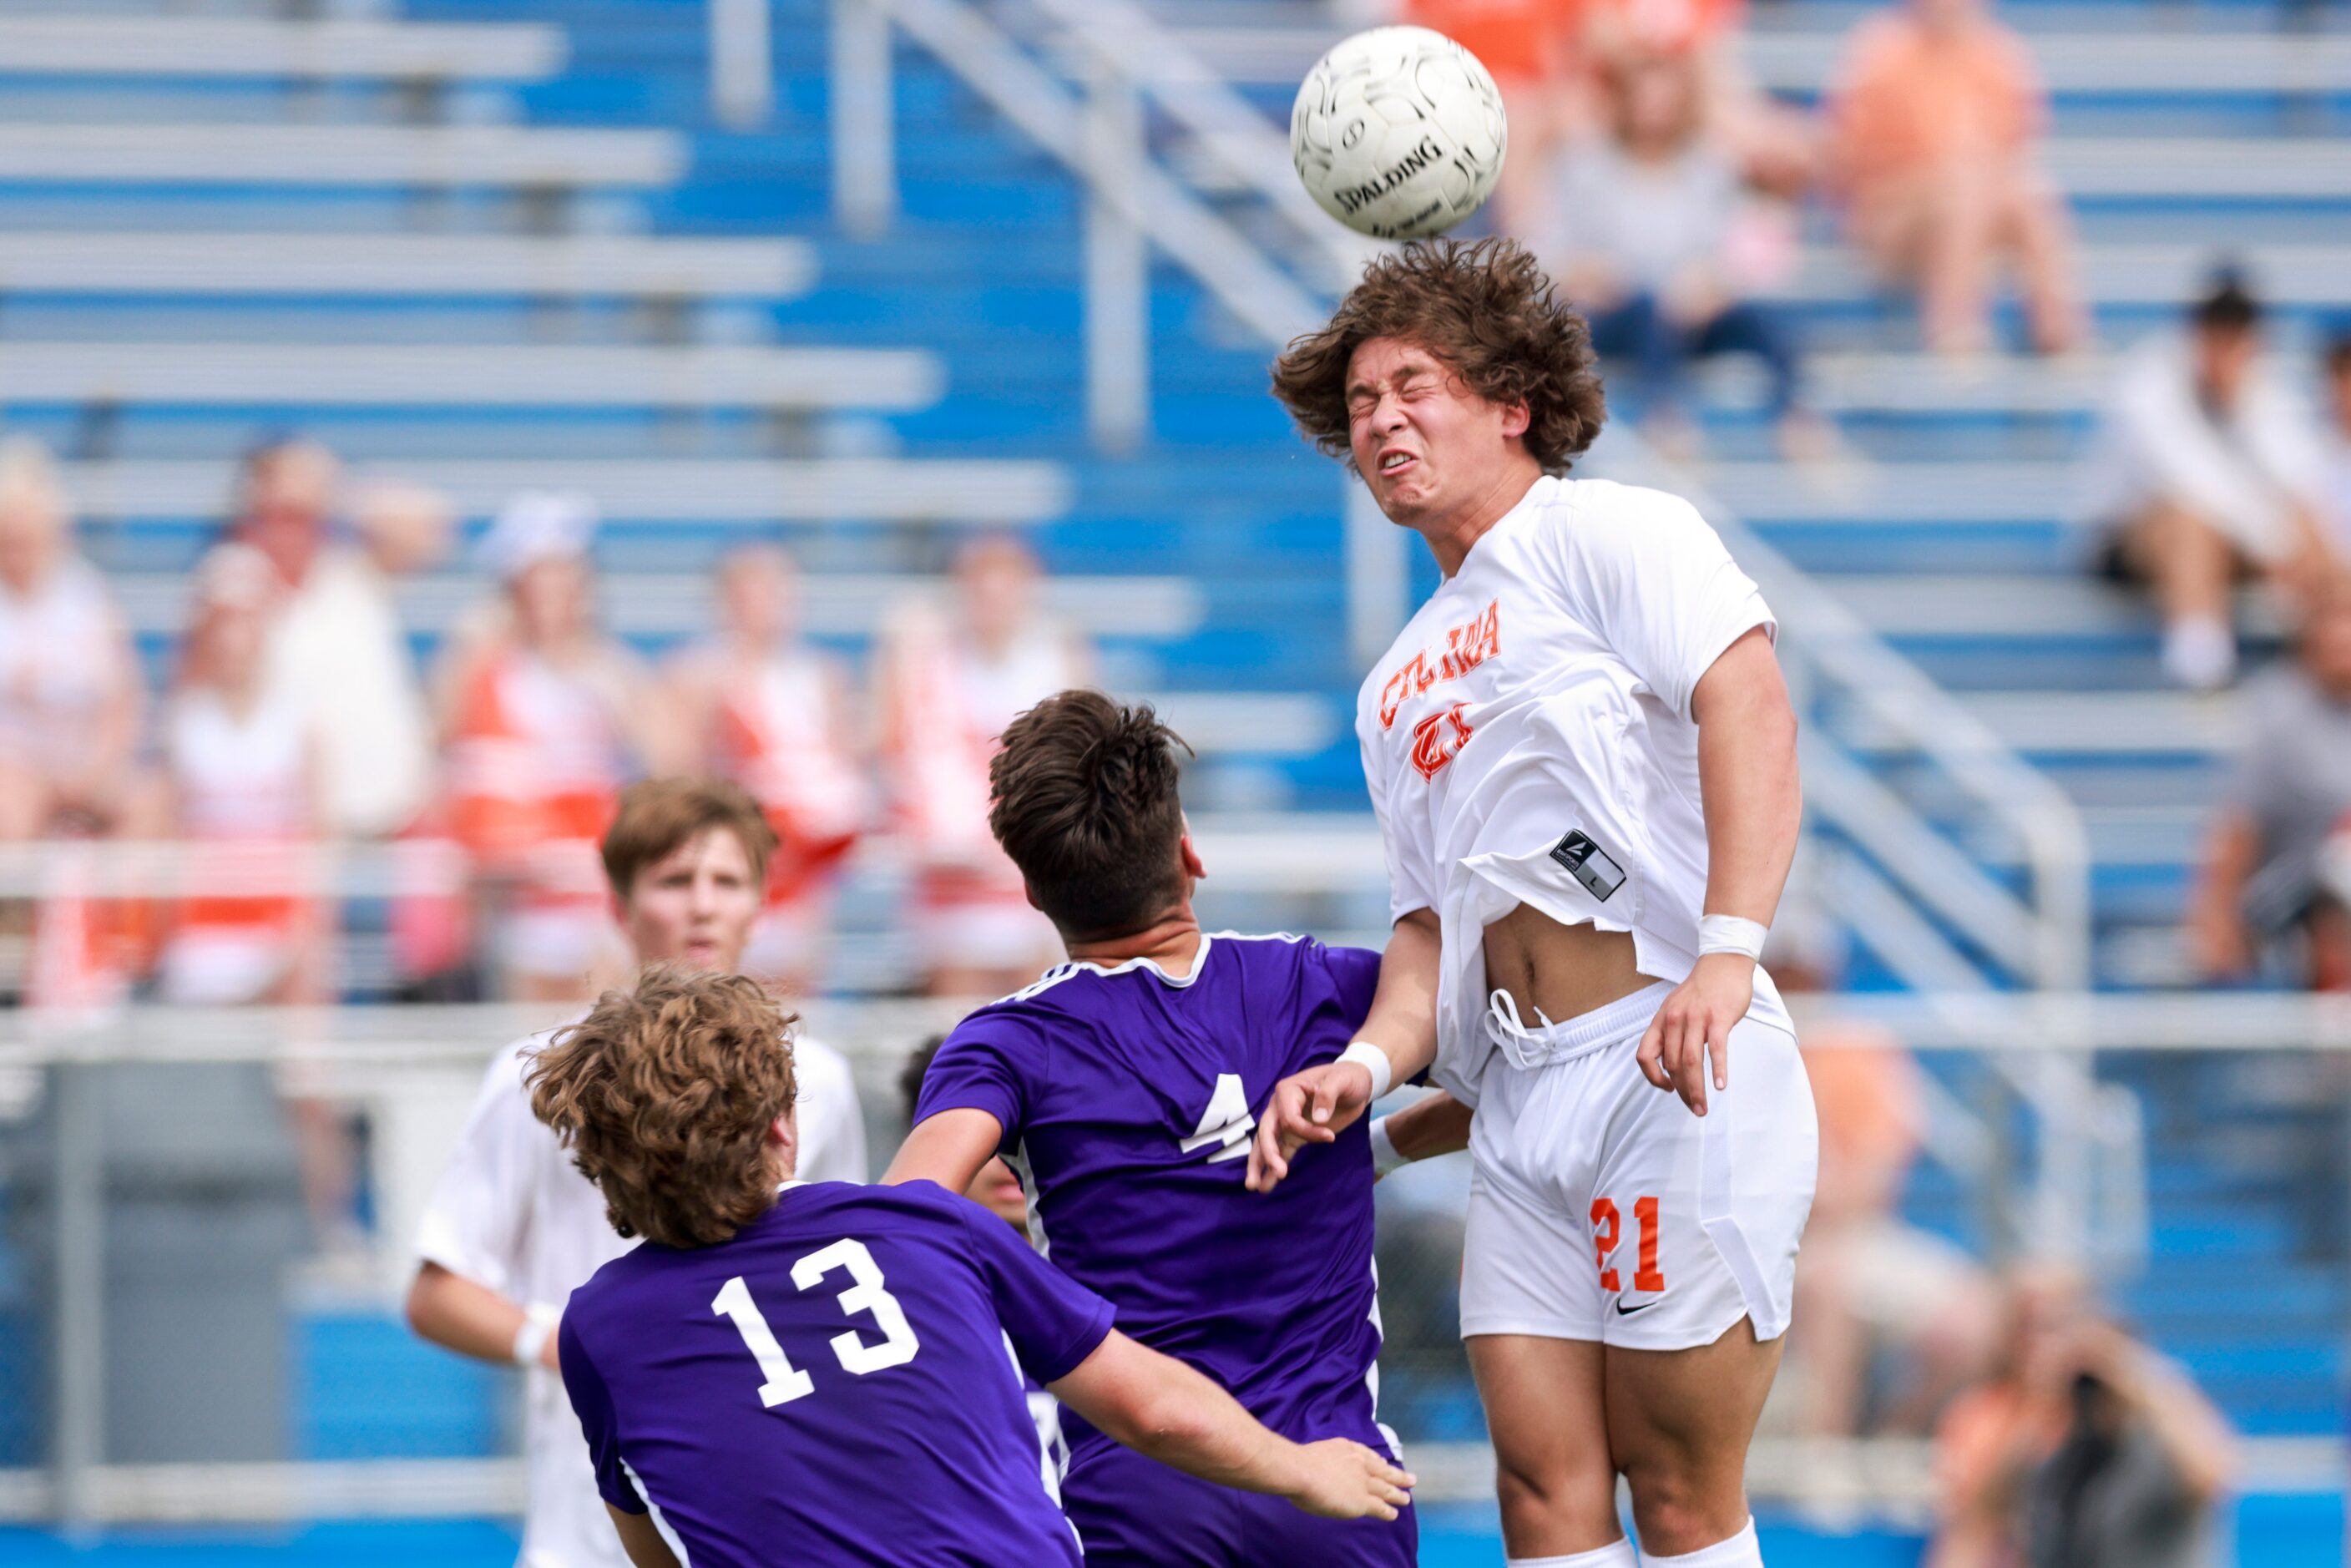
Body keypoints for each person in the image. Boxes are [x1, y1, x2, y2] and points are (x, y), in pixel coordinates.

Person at [1254, 237, 1817, 1568]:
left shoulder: (1614, 529)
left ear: (1513, 400)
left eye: (1414, 384)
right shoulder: (1392, 683)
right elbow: (1428, 927)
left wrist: (1731, 952)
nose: (1382, 419)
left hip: (1672, 1060)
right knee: (1540, 1493)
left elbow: (1751, 703)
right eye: (1361, 406)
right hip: (1517, 1102)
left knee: (1678, 1489)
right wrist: (1370, 1070)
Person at [530, 966, 1413, 1568]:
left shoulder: (598, 1329)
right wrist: (1301, 1468)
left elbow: (656, 1539)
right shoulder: (923, 1225)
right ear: (778, 1128)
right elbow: (1149, 1407)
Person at [885, 690, 1463, 1568]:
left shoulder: (1004, 1045)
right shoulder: (1326, 990)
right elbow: (1531, 1066)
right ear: (1188, 850)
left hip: (1138, 1495)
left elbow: (906, 1225)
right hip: (1336, 1487)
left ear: (1035, 893)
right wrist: (1370, 1147)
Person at [408, 776, 866, 1568]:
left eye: (727, 881)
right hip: (586, 1526)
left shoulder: (819, 1079)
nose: (702, 906)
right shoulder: (539, 1078)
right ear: (620, 904)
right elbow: (438, 1285)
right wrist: (563, 1340)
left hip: (771, 1515)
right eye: (673, 880)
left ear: (759, 905)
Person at [442, 493, 674, 1001]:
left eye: (565, 579)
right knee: (531, 1052)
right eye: (538, 581)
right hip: (519, 898)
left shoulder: (614, 671)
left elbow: (669, 765)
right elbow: (450, 758)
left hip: (595, 897)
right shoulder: (487, 672)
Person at [1540, 48, 1822, 460]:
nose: (1655, 111)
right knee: (1647, 307)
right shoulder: (1585, 166)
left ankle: (1798, 419)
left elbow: (1731, 253)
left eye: (1665, 100)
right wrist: (1584, 274)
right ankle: (1667, 419)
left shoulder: (1708, 167)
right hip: (1615, 313)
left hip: (1689, 312)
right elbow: (1548, 249)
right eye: (1645, 98)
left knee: (1762, 320)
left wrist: (1709, 285)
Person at [2079, 275, 2337, 690]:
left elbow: (2297, 476)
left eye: (2237, 337)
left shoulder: (2262, 386)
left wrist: (2301, 541)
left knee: (2311, 525)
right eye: (2219, 336)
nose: (2227, 351)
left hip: (2237, 535)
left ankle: (2327, 655)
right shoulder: (2145, 384)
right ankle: (2202, 666)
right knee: (2189, 519)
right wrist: (2277, 542)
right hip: (2128, 542)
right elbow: (2190, 480)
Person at [874, 536, 1088, 995]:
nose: (993, 599)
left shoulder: (1054, 660)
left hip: (1026, 868)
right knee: (958, 1015)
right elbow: (894, 748)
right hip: (953, 869)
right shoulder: (926, 661)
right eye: (981, 585)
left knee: (1034, 1008)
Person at [1825, 0, 2084, 357]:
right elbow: (1849, 155)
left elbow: (2017, 146)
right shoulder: (1881, 51)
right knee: (1966, 184)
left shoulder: (1998, 54)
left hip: (1974, 202)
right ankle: (1954, 329)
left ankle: (2058, 334)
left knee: (2029, 192)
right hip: (1891, 218)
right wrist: (1940, 169)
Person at [1929, 1268, 2233, 1568]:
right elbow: (1983, 1513)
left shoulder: (2158, 1438)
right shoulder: (2057, 1461)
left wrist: (2127, 1373)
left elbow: (2212, 1474)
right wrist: (2039, 1400)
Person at [665, 545, 869, 991]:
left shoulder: (821, 673)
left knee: (794, 992)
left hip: (801, 869)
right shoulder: (700, 674)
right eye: (749, 593)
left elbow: (842, 765)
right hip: (734, 858)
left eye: (774, 592)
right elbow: (680, 769)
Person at [230, 438, 437, 842]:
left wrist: (339, 490)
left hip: (397, 812)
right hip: (309, 830)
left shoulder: (351, 573)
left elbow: (428, 532)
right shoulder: (236, 582)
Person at [2188, 572, 2351, 990]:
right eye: (2335, 618)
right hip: (2298, 896)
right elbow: (2239, 822)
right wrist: (2215, 915)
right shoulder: (2279, 709)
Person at [0, 436, 144, 842]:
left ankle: (123, 908)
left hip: (83, 766)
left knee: (146, 808)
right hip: (13, 770)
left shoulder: (88, 595)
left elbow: (124, 699)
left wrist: (95, 770)